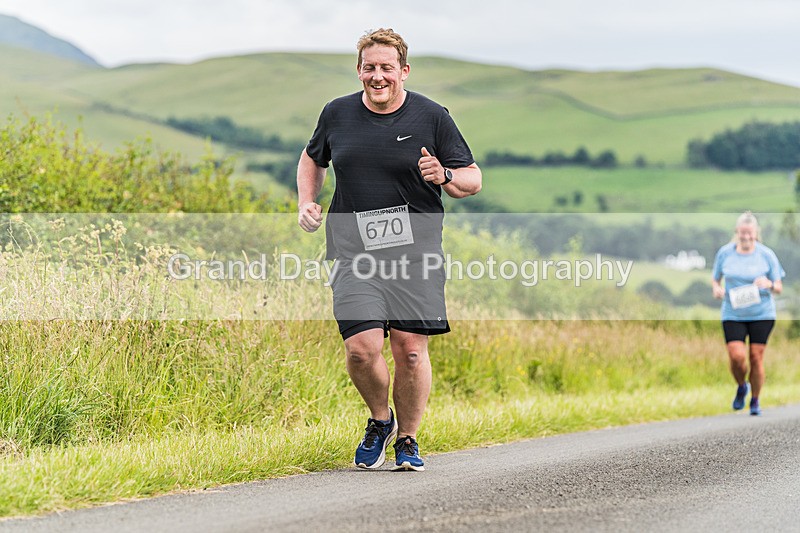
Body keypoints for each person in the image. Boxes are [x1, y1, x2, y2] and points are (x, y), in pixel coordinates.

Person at [296, 28, 482, 470]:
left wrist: (444, 175)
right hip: (351, 250)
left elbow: (472, 179)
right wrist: (307, 200)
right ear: (359, 70)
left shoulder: (432, 116)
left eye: (386, 68)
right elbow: (312, 158)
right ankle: (381, 420)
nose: (377, 76)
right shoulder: (337, 113)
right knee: (361, 348)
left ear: (403, 70)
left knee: (411, 351)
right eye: (369, 68)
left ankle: (409, 439)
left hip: (414, 253)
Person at [711, 211, 784, 416]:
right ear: (737, 232)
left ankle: (755, 399)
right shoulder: (725, 253)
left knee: (755, 357)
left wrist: (769, 284)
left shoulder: (766, 254)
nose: (746, 237)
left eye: (750, 233)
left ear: (756, 233)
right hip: (733, 312)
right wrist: (716, 289)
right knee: (736, 357)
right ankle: (742, 385)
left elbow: (779, 286)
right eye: (742, 233)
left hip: (762, 312)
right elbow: (715, 279)